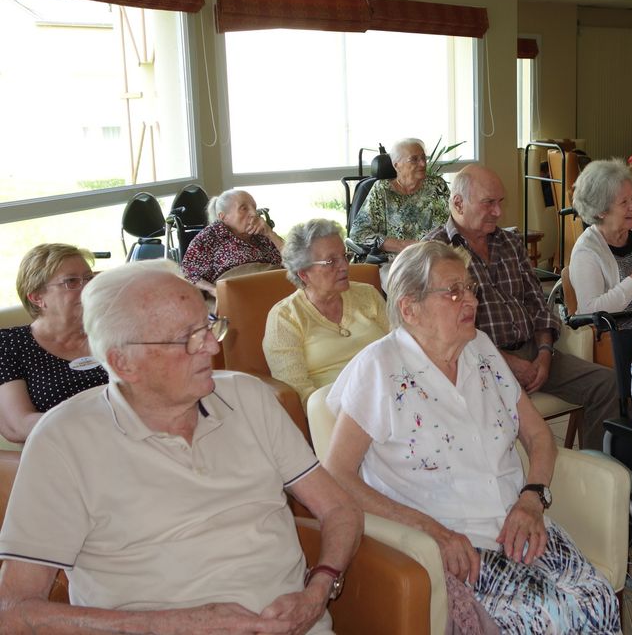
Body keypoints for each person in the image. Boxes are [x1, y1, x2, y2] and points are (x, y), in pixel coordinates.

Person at [0, 259, 363, 634]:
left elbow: (338, 508)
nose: (210, 346)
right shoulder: (63, 441)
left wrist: (318, 589)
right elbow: (13, 611)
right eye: (186, 337)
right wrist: (178, 624)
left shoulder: (248, 397)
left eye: (208, 326)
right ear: (123, 362)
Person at [323, 241, 620, 634]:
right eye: (453, 292)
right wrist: (434, 533)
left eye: (470, 289)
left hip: (521, 524)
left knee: (594, 596)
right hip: (457, 545)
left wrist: (533, 498)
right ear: (409, 308)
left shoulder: (479, 348)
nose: (471, 301)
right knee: (548, 616)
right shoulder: (379, 368)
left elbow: (537, 435)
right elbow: (337, 474)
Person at [425, 164, 618, 449]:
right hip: (475, 362)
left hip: (533, 351)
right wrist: (506, 362)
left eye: (500, 202)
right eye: (489, 203)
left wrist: (544, 352)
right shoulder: (435, 252)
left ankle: (595, 474)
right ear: (458, 203)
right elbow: (446, 331)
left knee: (607, 385)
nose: (498, 212)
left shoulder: (509, 241)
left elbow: (537, 302)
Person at [264, 219, 389, 406]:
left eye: (344, 256)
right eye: (331, 261)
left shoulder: (367, 294)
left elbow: (402, 346)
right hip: (334, 410)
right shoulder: (285, 317)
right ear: (304, 273)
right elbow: (299, 392)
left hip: (391, 393)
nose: (345, 266)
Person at [0, 244, 108, 444]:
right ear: (37, 297)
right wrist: (96, 428)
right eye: (71, 282)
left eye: (88, 278)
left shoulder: (113, 331)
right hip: (67, 454)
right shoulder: (10, 345)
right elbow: (17, 425)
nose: (87, 287)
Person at [570, 160, 632, 329]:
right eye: (624, 202)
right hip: (624, 340)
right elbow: (591, 312)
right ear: (601, 210)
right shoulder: (586, 251)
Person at [348, 137, 450, 258]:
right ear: (397, 165)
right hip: (392, 263)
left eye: (423, 158)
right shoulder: (381, 190)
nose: (423, 163)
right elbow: (358, 233)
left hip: (432, 258)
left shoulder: (437, 186)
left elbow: (450, 225)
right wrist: (404, 245)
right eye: (414, 159)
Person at [180, 189, 284, 294]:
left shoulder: (262, 234)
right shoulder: (210, 236)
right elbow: (187, 274)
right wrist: (213, 290)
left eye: (254, 208)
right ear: (223, 217)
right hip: (236, 297)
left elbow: (295, 260)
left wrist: (270, 233)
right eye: (244, 208)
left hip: (275, 291)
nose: (254, 213)